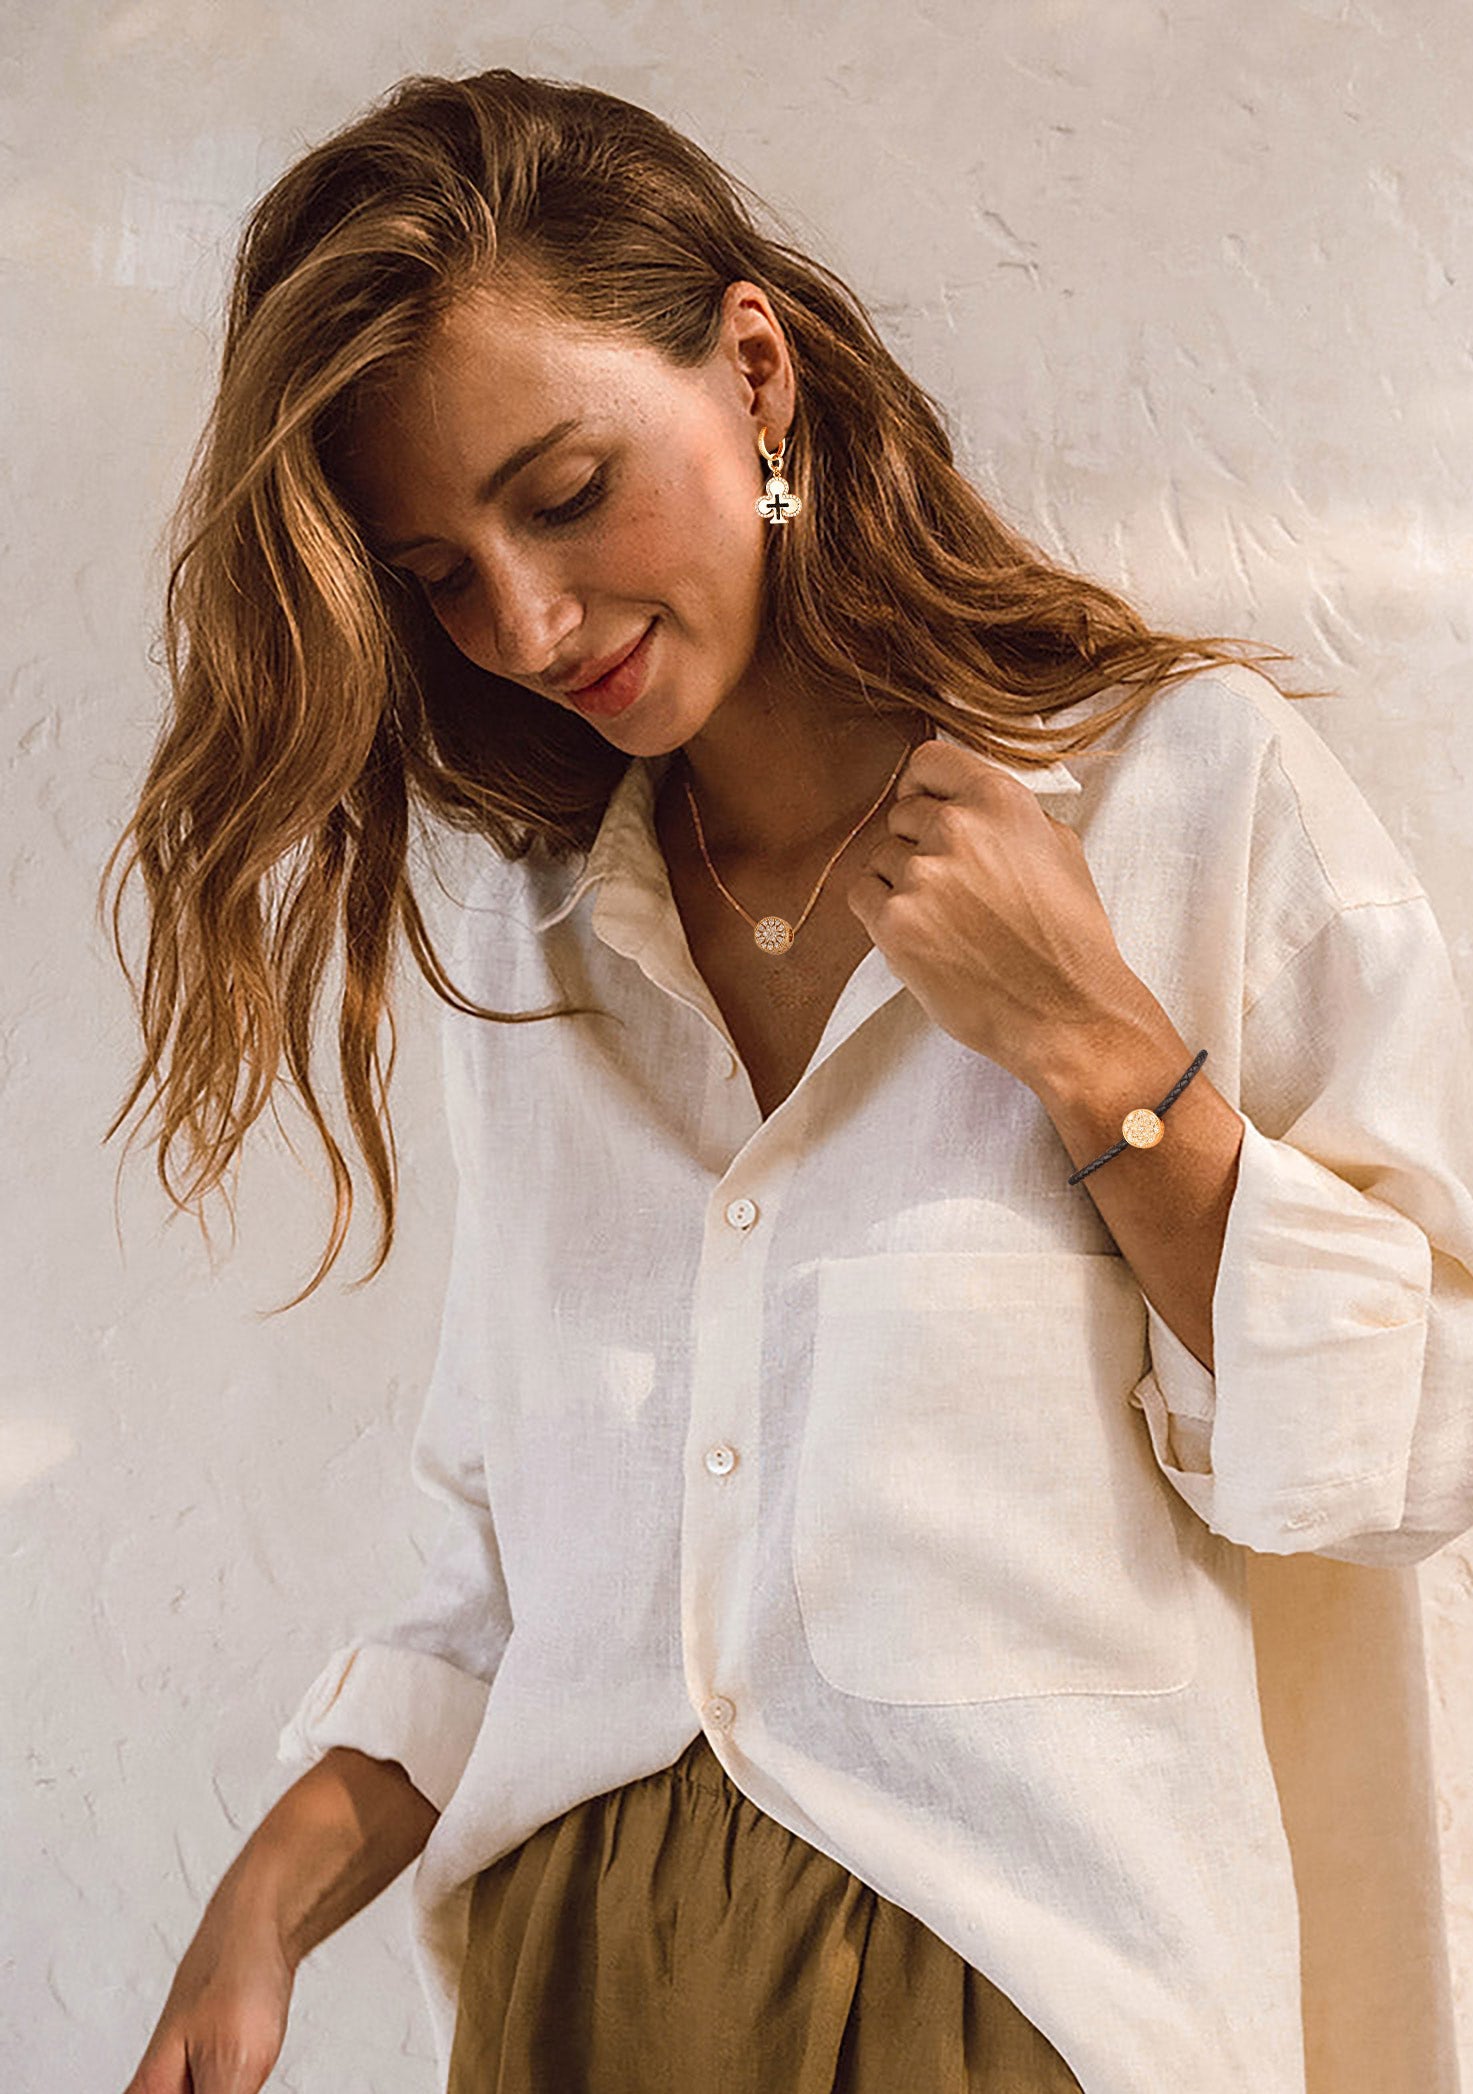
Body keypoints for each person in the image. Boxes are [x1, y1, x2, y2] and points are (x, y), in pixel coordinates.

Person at [109, 66, 1473, 2094]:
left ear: (751, 371)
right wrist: (260, 1905)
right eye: (439, 573)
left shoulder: (1176, 799)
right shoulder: (536, 943)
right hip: (583, 2000)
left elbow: (1426, 1436)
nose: (526, 622)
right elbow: (501, 1572)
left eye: (564, 492)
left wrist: (1095, 1049)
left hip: (1026, 2005)